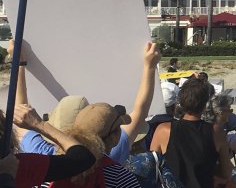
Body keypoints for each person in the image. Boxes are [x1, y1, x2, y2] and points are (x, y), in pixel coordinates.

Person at [15, 41, 161, 164]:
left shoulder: (43, 154)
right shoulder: (110, 155)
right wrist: (150, 67)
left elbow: (20, 113)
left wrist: (19, 63)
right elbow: (140, 111)